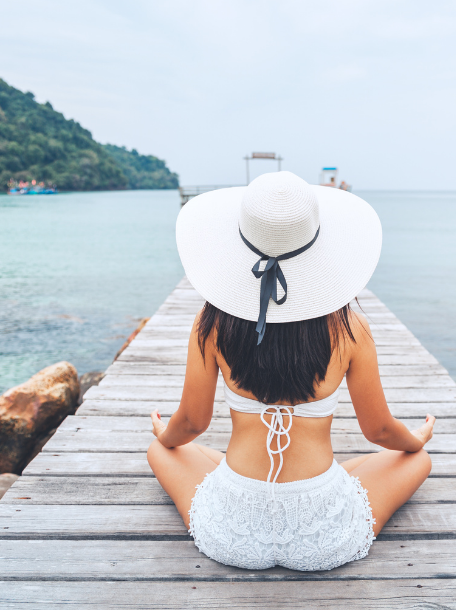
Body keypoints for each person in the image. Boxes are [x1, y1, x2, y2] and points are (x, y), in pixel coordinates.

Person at [147, 171, 434, 571]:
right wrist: (415, 438)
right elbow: (380, 432)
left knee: (161, 449)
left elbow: (192, 422)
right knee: (418, 460)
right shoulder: (350, 329)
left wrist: (166, 435)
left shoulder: (210, 324)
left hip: (235, 527)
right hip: (322, 531)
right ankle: (328, 480)